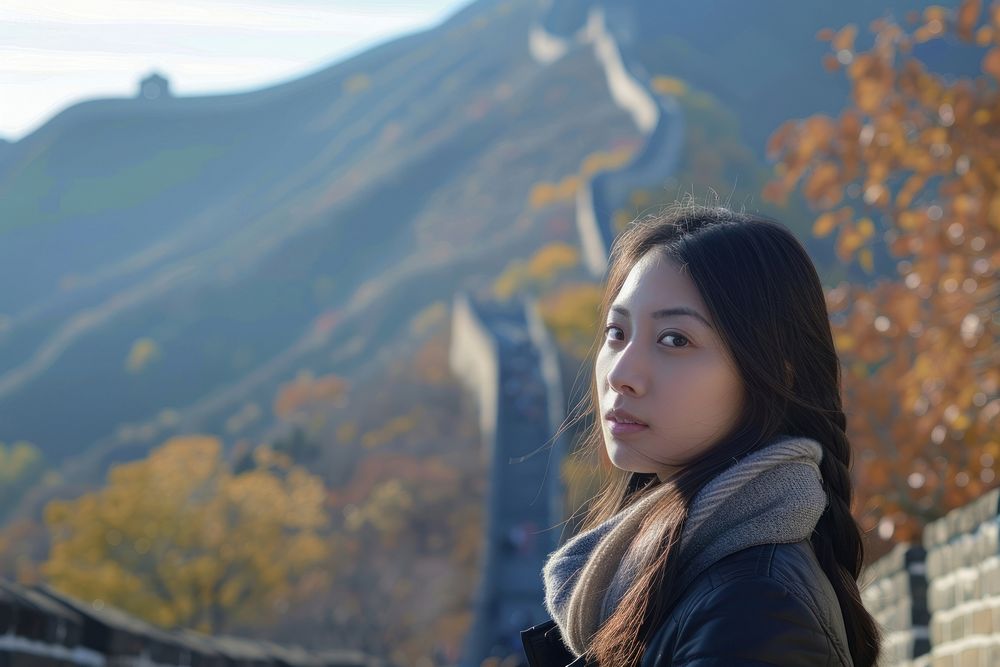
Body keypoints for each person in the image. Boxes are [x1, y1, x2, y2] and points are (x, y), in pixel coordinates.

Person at [520, 202, 882, 666]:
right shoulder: (693, 577)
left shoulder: (754, 616)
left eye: (674, 339)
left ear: (776, 374)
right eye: (617, 331)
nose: (622, 373)